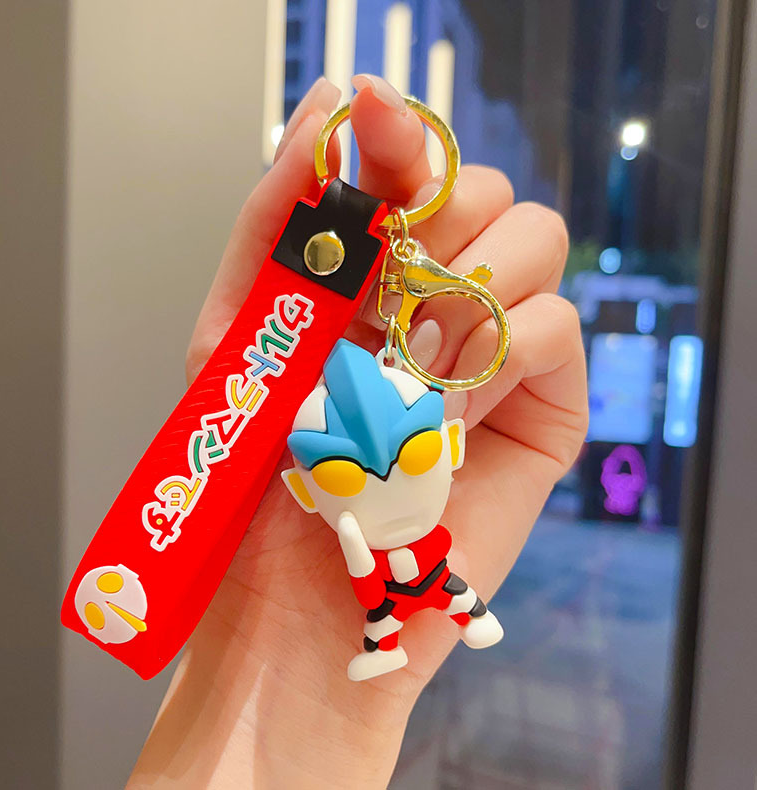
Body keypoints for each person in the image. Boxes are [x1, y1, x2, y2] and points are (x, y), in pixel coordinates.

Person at [127, 74, 588, 789]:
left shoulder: (409, 525)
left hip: (407, 573)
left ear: (451, 446)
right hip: (360, 572)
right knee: (400, 608)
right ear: (304, 490)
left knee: (444, 591)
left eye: (418, 451)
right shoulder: (342, 519)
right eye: (342, 474)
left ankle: (458, 618)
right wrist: (257, 686)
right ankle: (410, 631)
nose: (383, 477)